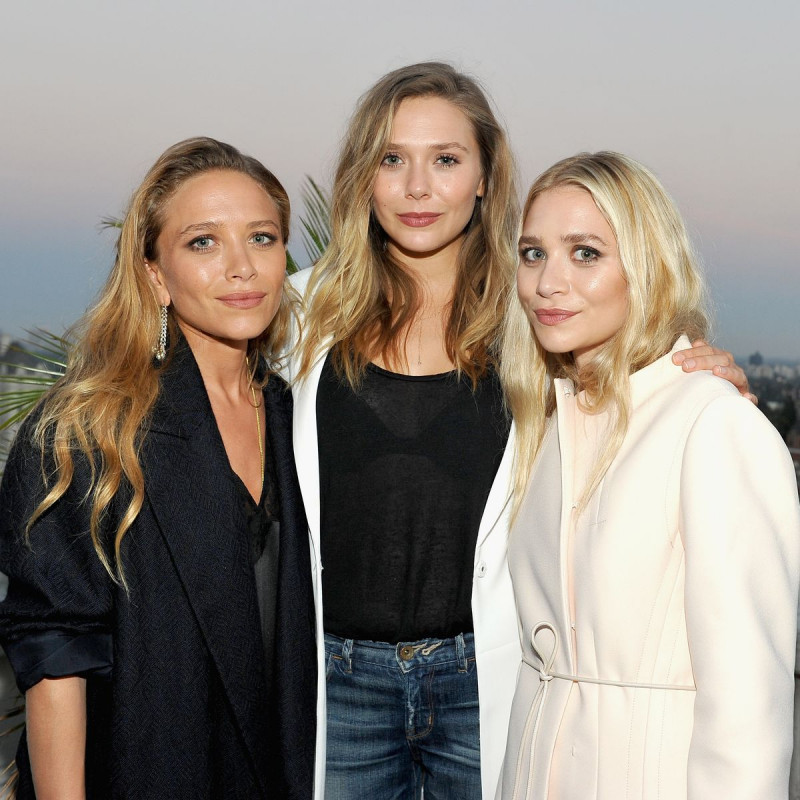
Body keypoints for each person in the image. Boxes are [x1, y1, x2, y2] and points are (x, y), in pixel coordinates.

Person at [288, 63, 752, 800]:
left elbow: (633, 392)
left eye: (445, 160)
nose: (417, 186)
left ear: (484, 176)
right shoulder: (299, 314)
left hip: (491, 681)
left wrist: (699, 375)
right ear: (361, 177)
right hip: (337, 684)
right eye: (391, 159)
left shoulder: (540, 311)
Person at [0, 137, 316, 799]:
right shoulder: (84, 430)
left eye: (261, 238)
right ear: (153, 274)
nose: (241, 267)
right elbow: (56, 658)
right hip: (148, 770)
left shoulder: (299, 418)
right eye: (203, 242)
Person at [497, 151, 800, 799]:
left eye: (585, 253)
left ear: (648, 265)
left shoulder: (714, 426)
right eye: (532, 254)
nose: (549, 281)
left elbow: (749, 710)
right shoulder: (542, 427)